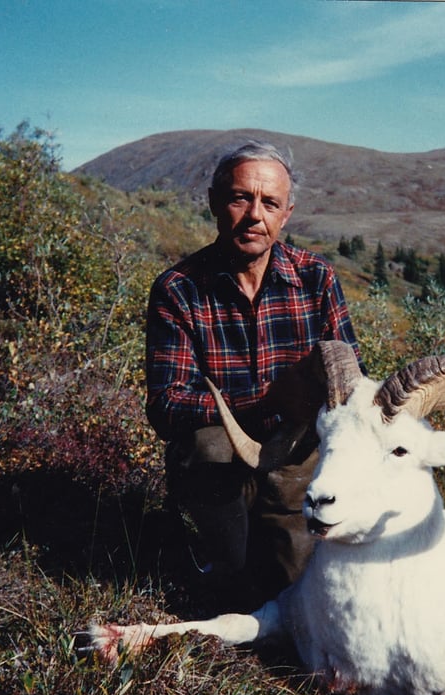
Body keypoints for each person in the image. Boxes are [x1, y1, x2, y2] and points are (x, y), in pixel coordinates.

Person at [146, 140, 362, 599]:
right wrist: (266, 400)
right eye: (240, 198)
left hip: (298, 459)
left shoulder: (316, 278)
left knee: (297, 593)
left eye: (270, 203)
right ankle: (221, 565)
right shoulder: (179, 290)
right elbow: (166, 406)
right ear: (214, 202)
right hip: (222, 467)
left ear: (287, 214)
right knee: (208, 450)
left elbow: (353, 384)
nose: (254, 216)